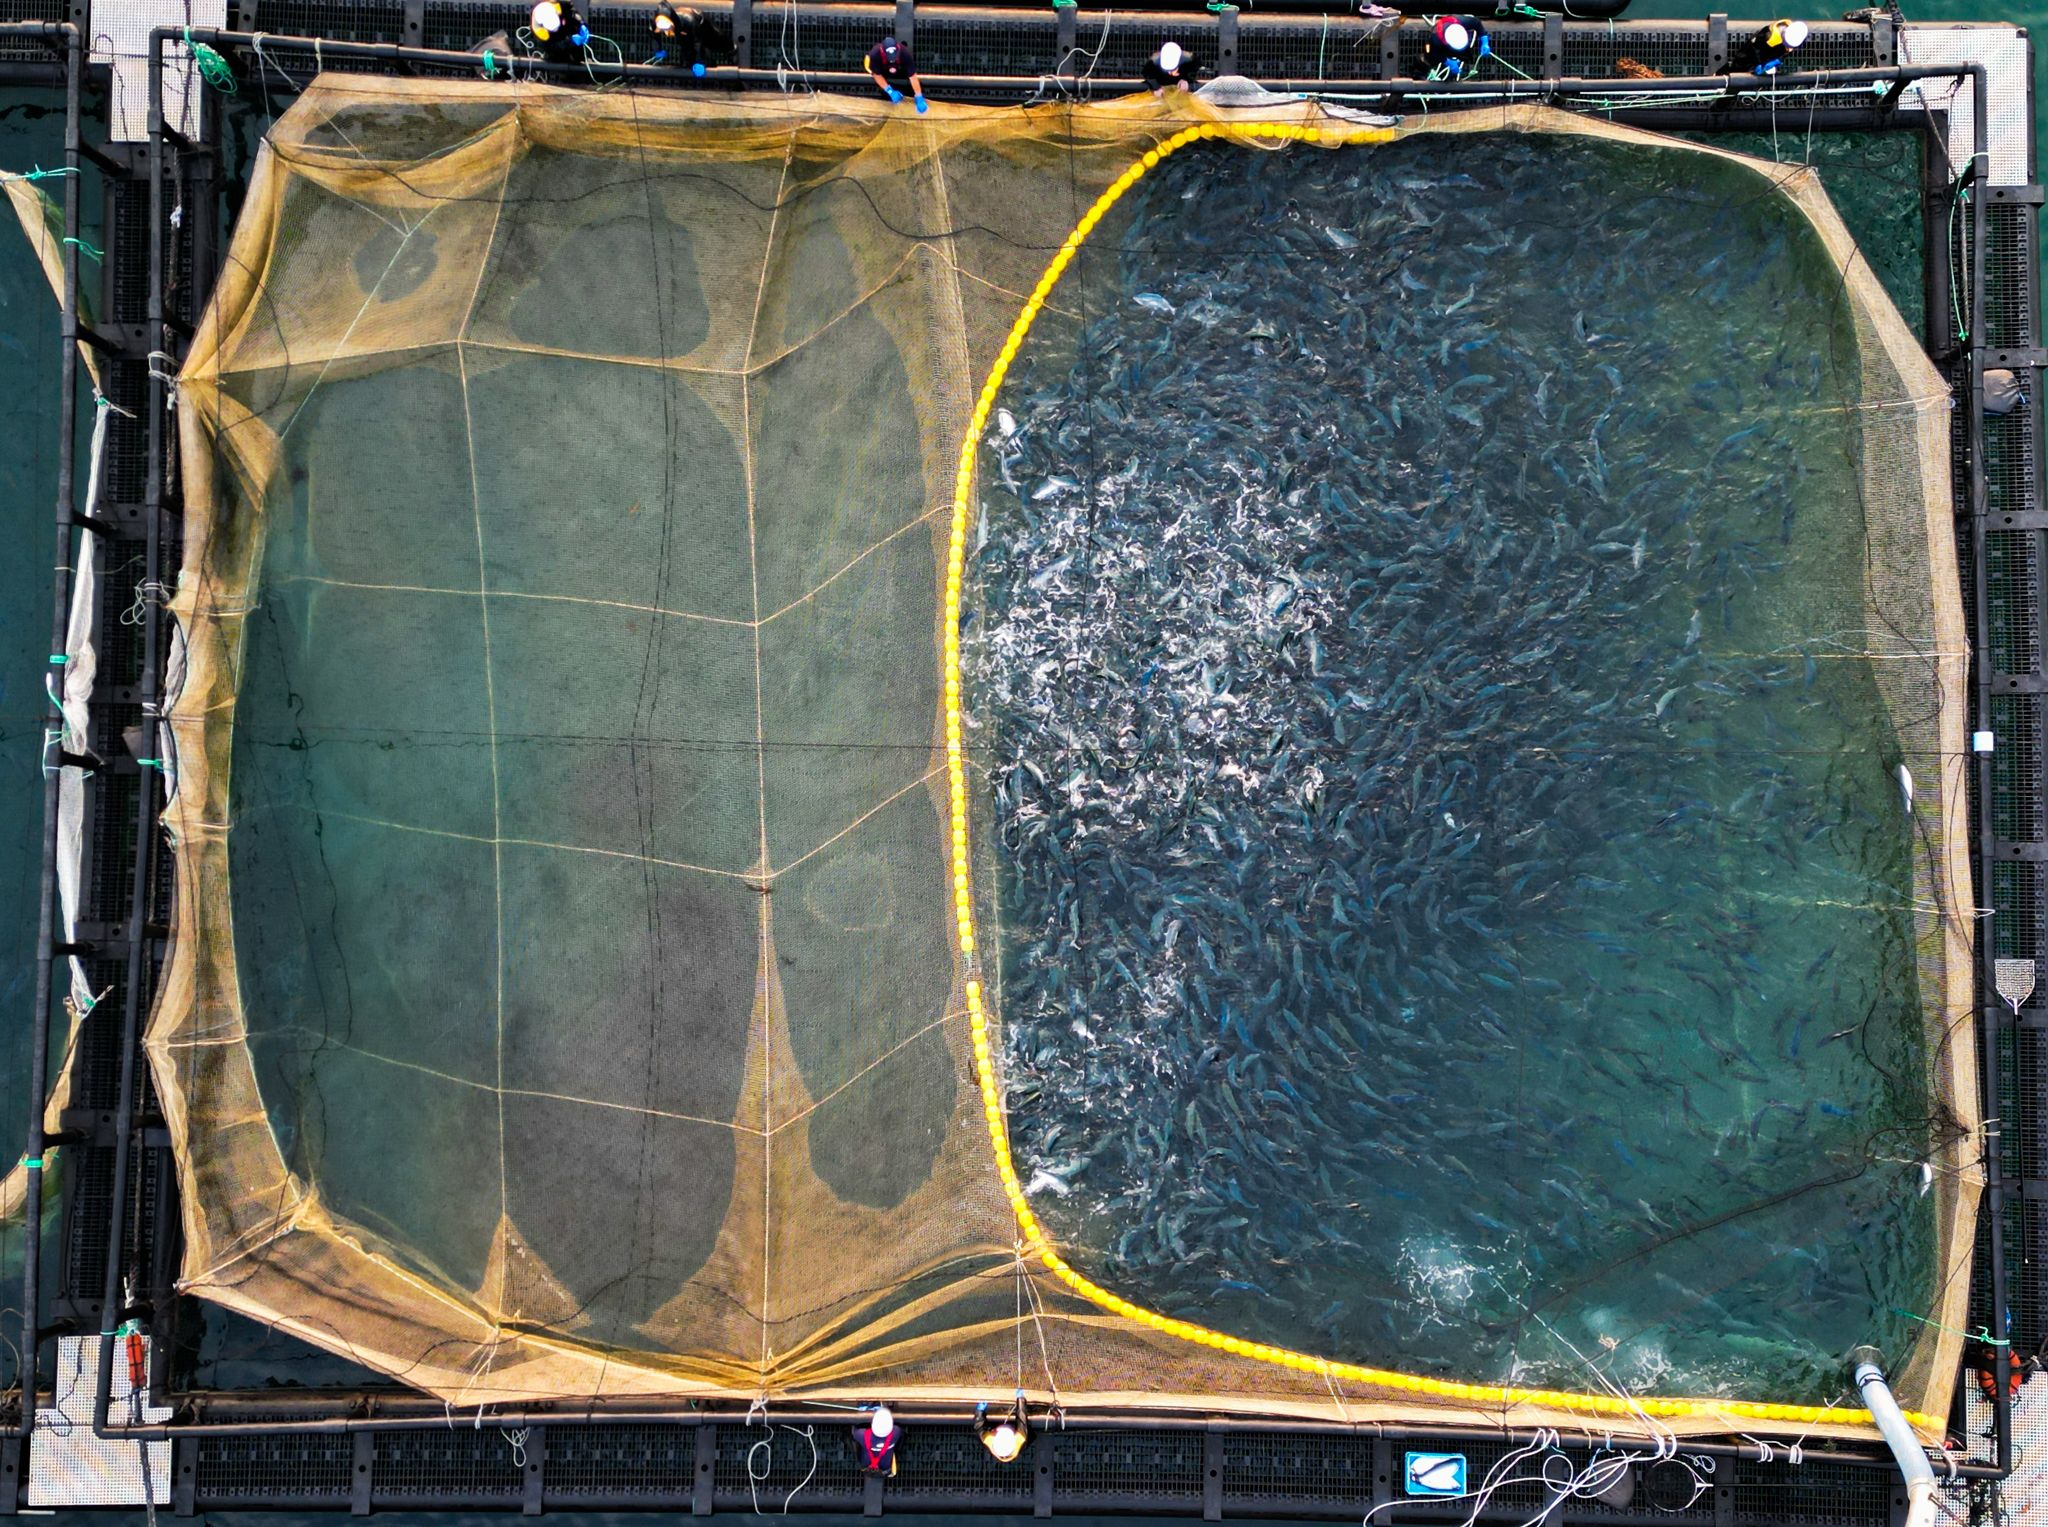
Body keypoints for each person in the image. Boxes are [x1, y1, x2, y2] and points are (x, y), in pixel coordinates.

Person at [866, 37, 927, 111]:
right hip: (884, 74)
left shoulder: (904, 53)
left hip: (902, 72)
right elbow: (876, 75)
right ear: (882, 51)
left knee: (913, 88)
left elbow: (912, 76)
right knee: (885, 93)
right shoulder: (874, 54)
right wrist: (890, 91)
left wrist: (919, 96)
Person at [1731, 18, 1808, 75]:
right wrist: (1759, 64)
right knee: (1741, 62)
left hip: (1771, 53)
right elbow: (1754, 49)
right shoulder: (1769, 37)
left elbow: (1787, 51)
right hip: (1752, 52)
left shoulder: (1795, 35)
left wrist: (1777, 60)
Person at [651, 2, 707, 75]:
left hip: (701, 24)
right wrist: (658, 50)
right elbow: (654, 36)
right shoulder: (654, 23)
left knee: (713, 44)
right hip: (683, 33)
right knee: (686, 52)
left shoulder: (688, 21)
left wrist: (699, 61)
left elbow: (697, 42)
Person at [1422, 16, 1487, 78]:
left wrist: (1485, 42)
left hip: (1462, 45)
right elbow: (1432, 53)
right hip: (1442, 49)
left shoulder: (1462, 21)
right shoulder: (1435, 39)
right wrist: (1447, 61)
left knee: (1467, 55)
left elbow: (1477, 22)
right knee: (1429, 58)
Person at [975, 1396, 1028, 1463]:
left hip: (998, 1429)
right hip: (1018, 1433)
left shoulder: (988, 1439)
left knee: (985, 1429)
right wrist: (1021, 1400)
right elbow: (1022, 1418)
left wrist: (980, 1411)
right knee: (1025, 1430)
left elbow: (979, 1426)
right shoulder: (1020, 1438)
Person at [856, 1404, 901, 1475]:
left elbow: (854, 1432)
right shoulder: (896, 1432)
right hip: (885, 1467)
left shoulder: (861, 1434)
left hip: (866, 1464)